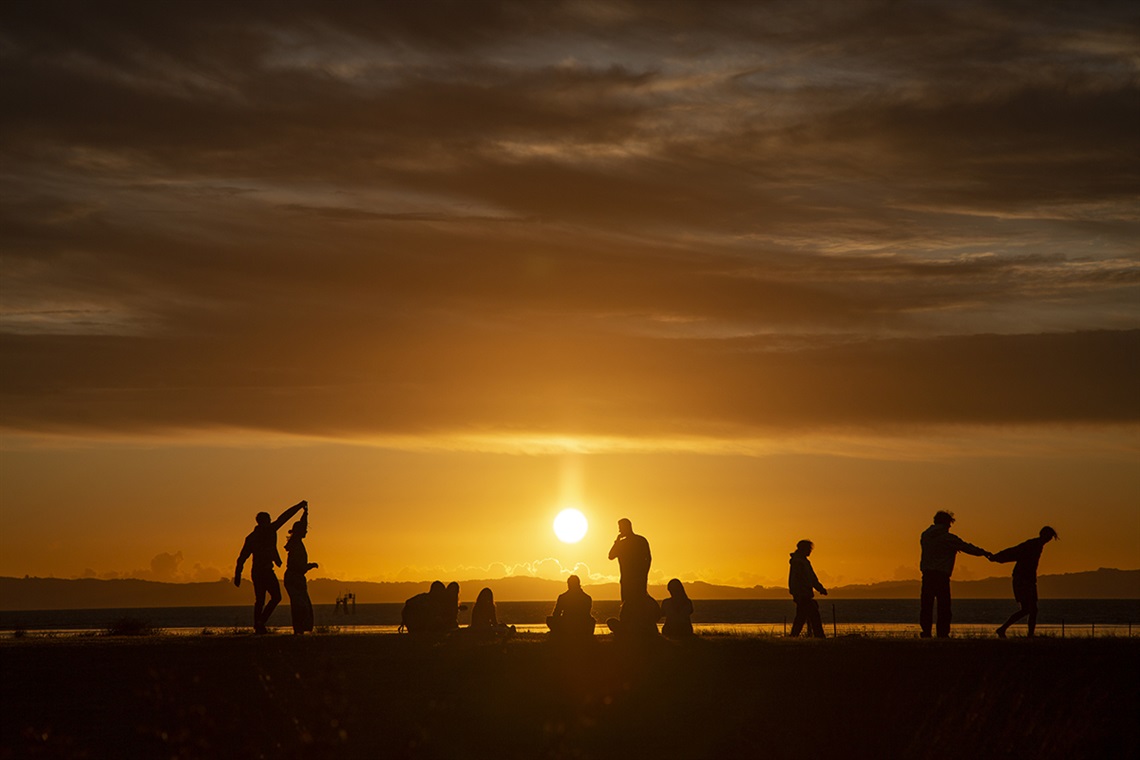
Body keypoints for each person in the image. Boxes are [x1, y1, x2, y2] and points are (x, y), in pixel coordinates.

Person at [234, 499, 307, 634]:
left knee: (261, 600)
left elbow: (242, 558)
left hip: (257, 571)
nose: (270, 522)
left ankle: (258, 625)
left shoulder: (251, 537)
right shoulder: (266, 531)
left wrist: (238, 574)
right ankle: (260, 623)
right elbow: (284, 517)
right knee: (274, 597)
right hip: (264, 571)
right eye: (268, 520)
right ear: (264, 521)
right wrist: (299, 506)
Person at [919, 510, 991, 638]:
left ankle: (926, 632)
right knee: (944, 607)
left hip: (927, 575)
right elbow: (967, 547)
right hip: (941, 576)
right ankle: (942, 633)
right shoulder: (948, 538)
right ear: (947, 523)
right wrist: (984, 553)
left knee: (926, 606)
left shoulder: (925, 535)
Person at [990, 526, 1058, 638]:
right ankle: (1025, 634)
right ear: (1042, 534)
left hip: (1028, 580)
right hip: (1022, 580)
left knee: (1029, 609)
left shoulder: (1038, 546)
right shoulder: (1032, 544)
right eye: (1048, 536)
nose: (1049, 539)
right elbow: (1015, 551)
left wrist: (998, 557)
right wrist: (998, 557)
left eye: (1050, 537)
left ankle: (1004, 629)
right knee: (1031, 609)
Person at [283, 505, 319, 635]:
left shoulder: (296, 542)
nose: (306, 532)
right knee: (300, 605)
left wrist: (305, 513)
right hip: (294, 577)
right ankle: (298, 630)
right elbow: (298, 566)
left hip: (296, 577)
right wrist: (310, 566)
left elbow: (303, 524)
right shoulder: (296, 544)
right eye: (304, 530)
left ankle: (300, 630)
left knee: (301, 604)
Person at [788, 540, 827, 638]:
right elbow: (800, 579)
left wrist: (820, 588)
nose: (810, 551)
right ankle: (819, 637)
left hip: (804, 594)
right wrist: (797, 594)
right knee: (813, 616)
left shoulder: (803, 561)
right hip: (803, 594)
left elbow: (812, 578)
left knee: (802, 617)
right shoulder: (799, 562)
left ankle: (794, 636)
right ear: (803, 549)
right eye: (809, 549)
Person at [608, 518, 652, 605]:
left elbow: (648, 558)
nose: (619, 530)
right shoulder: (639, 540)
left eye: (620, 527)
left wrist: (644, 573)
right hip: (631, 579)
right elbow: (611, 556)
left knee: (632, 604)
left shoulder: (638, 541)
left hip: (633, 580)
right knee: (634, 603)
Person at [546, 575, 596, 640]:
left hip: (567, 624)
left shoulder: (563, 597)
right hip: (582, 624)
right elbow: (586, 613)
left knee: (550, 619)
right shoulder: (587, 598)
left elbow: (556, 614)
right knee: (591, 620)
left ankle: (557, 634)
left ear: (569, 584)